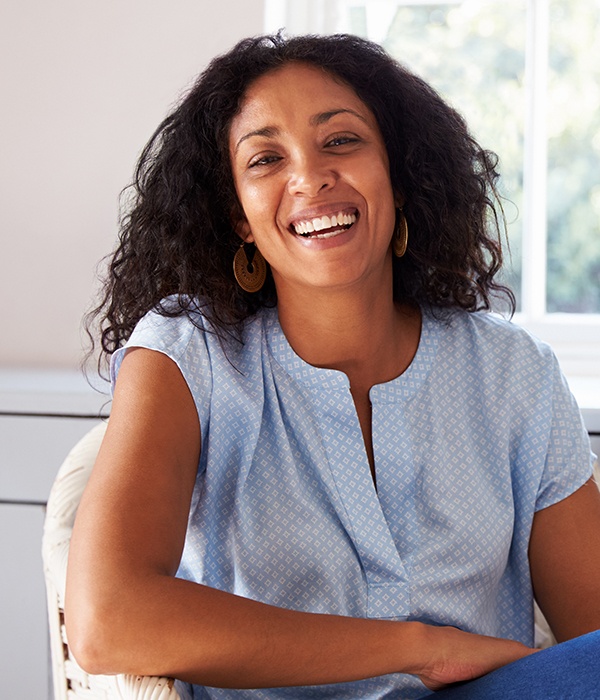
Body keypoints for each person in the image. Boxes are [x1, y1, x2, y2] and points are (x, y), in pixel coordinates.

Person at [65, 33, 600, 699]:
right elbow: (106, 621)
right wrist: (421, 649)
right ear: (239, 216)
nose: (310, 176)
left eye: (341, 141)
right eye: (265, 158)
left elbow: (592, 642)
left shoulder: (513, 372)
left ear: (399, 175)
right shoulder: (186, 356)